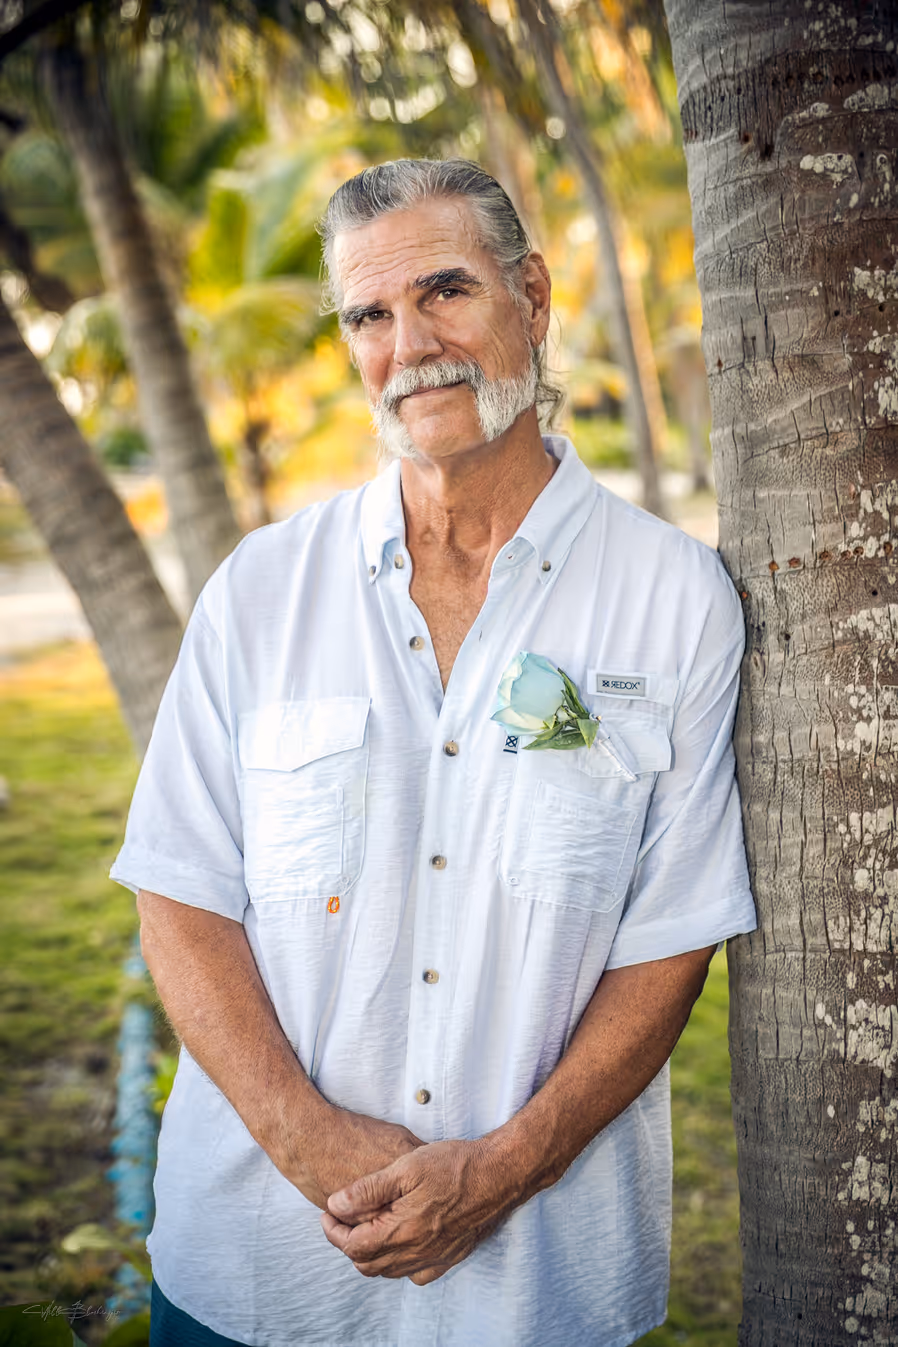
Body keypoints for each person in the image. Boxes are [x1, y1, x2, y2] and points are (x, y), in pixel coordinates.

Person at [111, 158, 757, 1347]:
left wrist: (506, 1168)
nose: (411, 346)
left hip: (533, 1289)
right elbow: (179, 891)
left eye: (445, 291)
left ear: (531, 296)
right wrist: (307, 1141)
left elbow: (672, 937)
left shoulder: (673, 599)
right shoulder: (261, 591)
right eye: (370, 314)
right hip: (258, 1273)